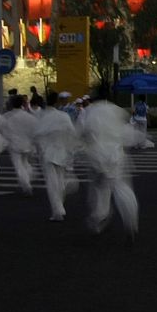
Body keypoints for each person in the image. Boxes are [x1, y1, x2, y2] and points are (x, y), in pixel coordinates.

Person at [78, 86, 142, 238]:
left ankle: (99, 216)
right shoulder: (116, 110)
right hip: (115, 155)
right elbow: (125, 132)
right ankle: (131, 219)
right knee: (120, 187)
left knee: (100, 189)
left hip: (96, 156)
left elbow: (82, 132)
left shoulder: (90, 112)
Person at [32, 95, 80, 221]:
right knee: (60, 180)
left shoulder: (42, 117)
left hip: (47, 152)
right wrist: (71, 150)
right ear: (57, 102)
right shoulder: (63, 116)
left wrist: (38, 151)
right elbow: (72, 133)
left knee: (52, 182)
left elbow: (36, 136)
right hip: (62, 151)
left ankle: (57, 210)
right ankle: (59, 206)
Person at [2, 95, 39, 195]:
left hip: (14, 144)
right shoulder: (30, 117)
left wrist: (7, 139)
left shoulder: (6, 116)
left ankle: (26, 184)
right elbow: (35, 131)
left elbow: (1, 129)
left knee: (19, 165)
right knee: (25, 162)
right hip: (27, 144)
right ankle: (29, 175)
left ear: (11, 104)